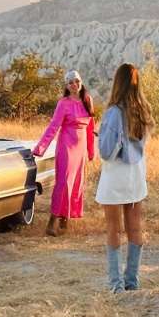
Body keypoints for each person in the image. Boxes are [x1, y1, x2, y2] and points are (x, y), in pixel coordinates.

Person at [96, 63, 154, 292]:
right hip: (136, 175)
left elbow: (106, 151)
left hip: (116, 175)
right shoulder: (143, 109)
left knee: (113, 229)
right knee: (135, 228)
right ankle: (132, 281)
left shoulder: (113, 112)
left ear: (117, 83)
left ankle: (116, 284)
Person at [32, 70, 95, 236]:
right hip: (66, 146)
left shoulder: (88, 100)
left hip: (80, 148)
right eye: (70, 82)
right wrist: (40, 148)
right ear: (66, 86)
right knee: (63, 183)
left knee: (75, 184)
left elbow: (90, 127)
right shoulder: (63, 103)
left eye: (77, 81)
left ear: (81, 81)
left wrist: (91, 150)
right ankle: (52, 221)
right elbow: (53, 127)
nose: (74, 85)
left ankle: (65, 221)